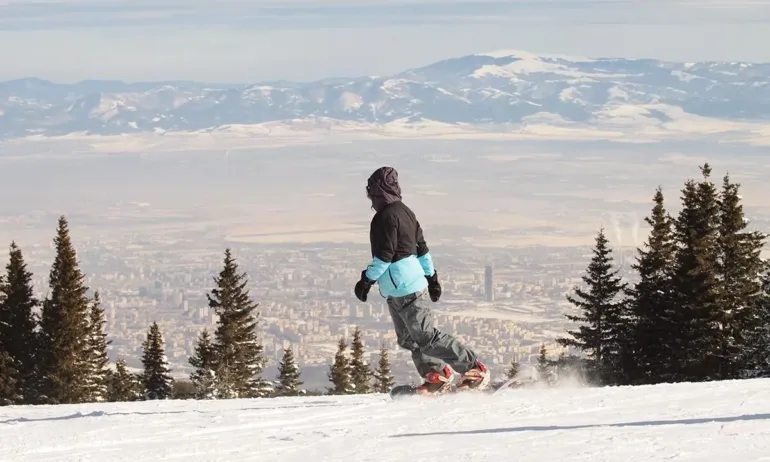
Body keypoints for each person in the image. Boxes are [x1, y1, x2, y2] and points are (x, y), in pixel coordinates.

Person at [353, 166, 489, 394]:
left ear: (378, 192)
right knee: (409, 338)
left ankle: (473, 368)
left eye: (371, 192)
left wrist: (366, 280)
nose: (370, 198)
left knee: (425, 336)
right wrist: (432, 278)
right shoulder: (407, 212)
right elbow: (422, 250)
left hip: (407, 287)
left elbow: (385, 255)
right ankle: (436, 376)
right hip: (398, 289)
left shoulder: (383, 218)